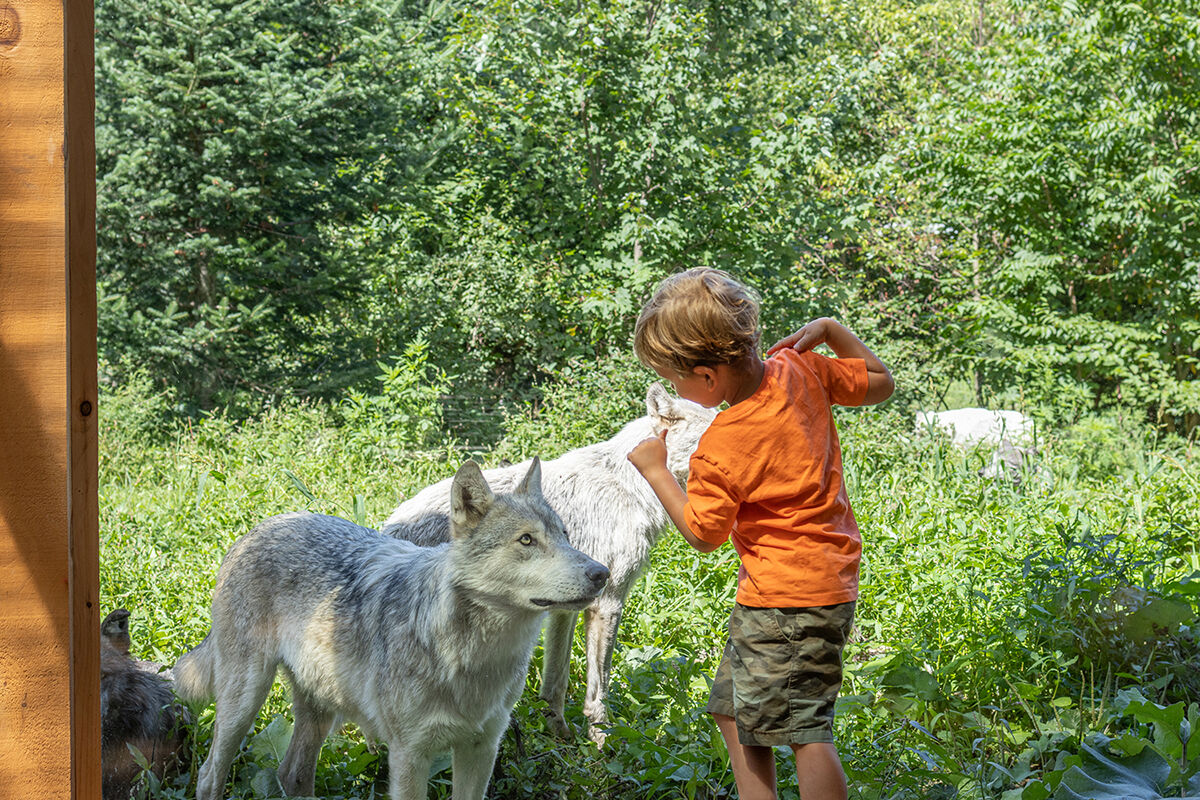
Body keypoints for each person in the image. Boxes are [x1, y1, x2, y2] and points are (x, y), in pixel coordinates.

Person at [626, 267, 894, 800]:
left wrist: (657, 470)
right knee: (732, 710)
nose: (674, 389)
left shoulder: (723, 443)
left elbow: (704, 534)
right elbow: (880, 383)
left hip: (788, 599)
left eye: (674, 378)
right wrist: (831, 330)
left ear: (707, 377)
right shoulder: (801, 368)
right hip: (810, 585)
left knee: (804, 732)